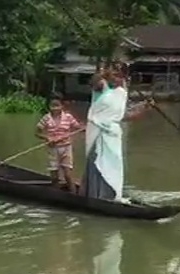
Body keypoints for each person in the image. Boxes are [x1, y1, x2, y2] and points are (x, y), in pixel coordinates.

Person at [83, 62, 149, 202]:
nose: (116, 77)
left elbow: (123, 116)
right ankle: (95, 195)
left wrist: (145, 107)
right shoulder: (101, 87)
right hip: (98, 132)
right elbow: (94, 81)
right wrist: (104, 73)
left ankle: (110, 194)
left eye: (119, 75)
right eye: (114, 74)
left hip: (113, 134)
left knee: (114, 164)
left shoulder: (122, 93)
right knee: (97, 161)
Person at [35, 93, 83, 191]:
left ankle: (74, 195)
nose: (55, 108)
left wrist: (85, 127)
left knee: (67, 175)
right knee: (54, 177)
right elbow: (37, 133)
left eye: (57, 105)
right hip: (53, 149)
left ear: (62, 106)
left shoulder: (68, 117)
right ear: (49, 106)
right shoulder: (46, 118)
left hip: (66, 148)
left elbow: (78, 127)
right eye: (52, 106)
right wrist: (47, 138)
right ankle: (56, 194)